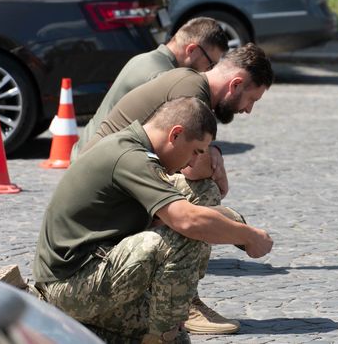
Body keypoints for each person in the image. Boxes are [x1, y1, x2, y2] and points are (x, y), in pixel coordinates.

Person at [33, 97, 273, 344]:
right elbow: (187, 221)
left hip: (95, 270)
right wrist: (249, 237)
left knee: (202, 192)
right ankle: (161, 337)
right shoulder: (130, 156)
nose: (193, 161)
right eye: (195, 151)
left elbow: (187, 209)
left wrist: (231, 222)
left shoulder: (138, 148)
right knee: (185, 236)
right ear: (175, 135)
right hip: (68, 287)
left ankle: (160, 315)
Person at [75, 43, 274, 335]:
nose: (248, 110)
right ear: (236, 84)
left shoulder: (191, 82)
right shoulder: (193, 95)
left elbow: (192, 159)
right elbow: (196, 169)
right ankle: (183, 300)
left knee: (198, 195)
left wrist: (212, 154)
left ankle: (167, 291)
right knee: (202, 192)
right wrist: (214, 165)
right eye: (251, 99)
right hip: (102, 207)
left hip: (110, 193)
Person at [71, 16, 229, 161]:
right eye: (210, 64)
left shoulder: (144, 58)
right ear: (192, 50)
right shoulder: (164, 77)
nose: (208, 71)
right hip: (96, 161)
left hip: (85, 153)